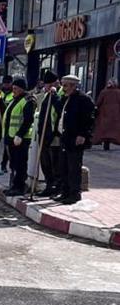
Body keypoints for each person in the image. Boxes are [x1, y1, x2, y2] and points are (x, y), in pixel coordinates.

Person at [55, 74, 95, 205]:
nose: (63, 88)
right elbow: (59, 111)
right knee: (63, 166)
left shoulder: (83, 99)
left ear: (73, 85)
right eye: (62, 85)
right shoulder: (66, 98)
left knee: (73, 167)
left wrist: (83, 134)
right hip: (65, 136)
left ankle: (74, 193)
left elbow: (89, 119)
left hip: (75, 137)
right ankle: (65, 191)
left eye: (65, 85)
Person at [2, 78, 36, 196]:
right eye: (13, 88)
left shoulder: (28, 100)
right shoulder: (15, 99)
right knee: (13, 163)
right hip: (11, 137)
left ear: (22, 88)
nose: (13, 90)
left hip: (21, 138)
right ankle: (14, 185)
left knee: (20, 163)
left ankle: (20, 186)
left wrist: (20, 135)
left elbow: (28, 120)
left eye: (16, 88)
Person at [34, 71, 63, 197]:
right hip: (44, 134)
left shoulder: (59, 94)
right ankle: (49, 185)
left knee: (54, 163)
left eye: (47, 85)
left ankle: (57, 187)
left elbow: (60, 110)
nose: (45, 87)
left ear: (54, 83)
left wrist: (55, 96)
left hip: (54, 135)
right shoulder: (46, 95)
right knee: (45, 162)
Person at [93, 79, 120, 151]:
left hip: (104, 113)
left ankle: (106, 144)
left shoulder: (104, 92)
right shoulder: (118, 92)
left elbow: (98, 102)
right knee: (113, 129)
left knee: (105, 130)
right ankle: (112, 141)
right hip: (115, 115)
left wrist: (96, 108)